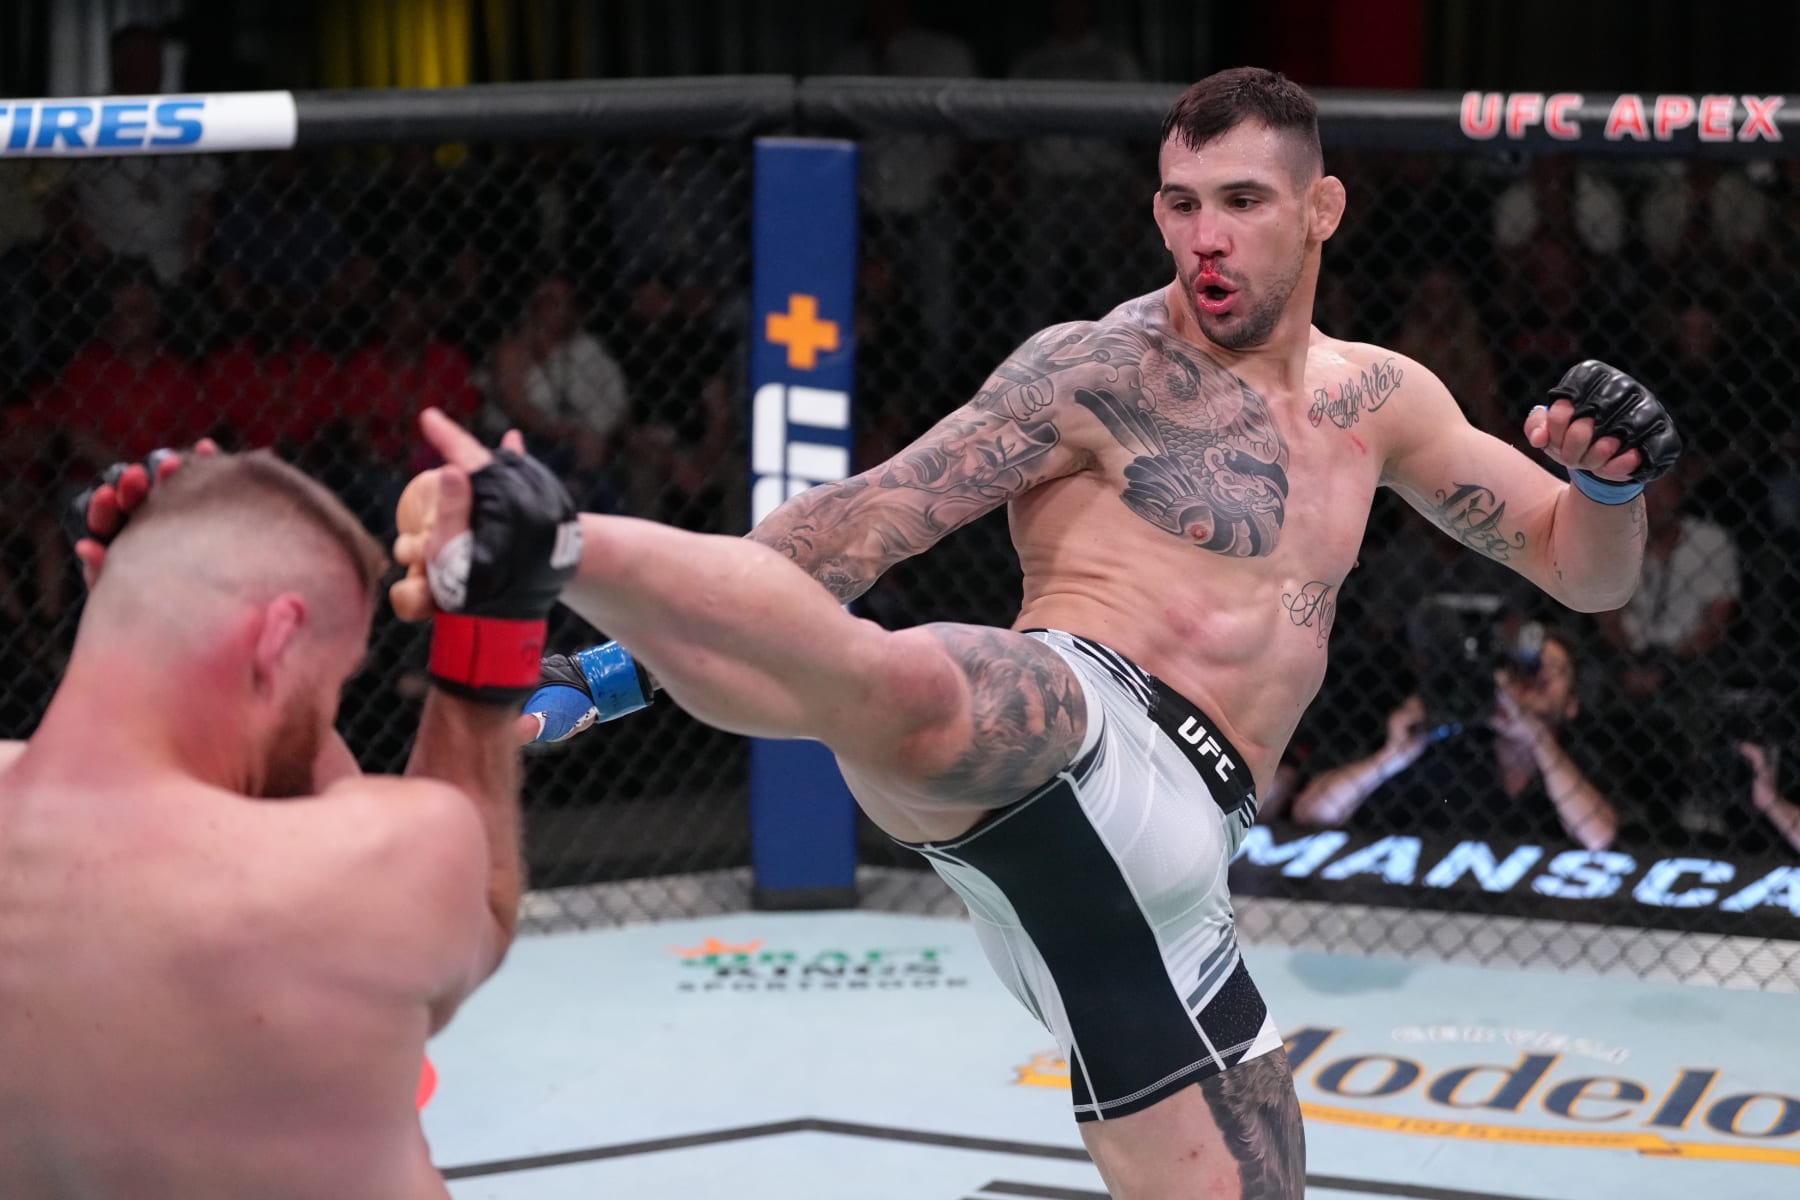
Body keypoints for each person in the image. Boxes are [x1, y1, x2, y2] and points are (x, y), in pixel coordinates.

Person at [482, 68, 1679, 1200]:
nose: (1205, 235)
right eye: (1182, 203)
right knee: (928, 683)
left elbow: (1580, 571)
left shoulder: (1384, 401)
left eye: (1243, 203)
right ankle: (562, 543)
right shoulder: (1095, 370)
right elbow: (857, 526)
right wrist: (602, 675)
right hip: (1076, 729)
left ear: (1321, 210)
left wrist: (1614, 490)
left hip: (1186, 867)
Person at [0, 416, 579, 1199]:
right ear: (276, 642)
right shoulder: (369, 872)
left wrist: (155, 593)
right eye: (330, 687)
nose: (327, 718)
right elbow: (467, 900)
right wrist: (492, 630)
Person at [1289, 622, 1620, 851]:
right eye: (1528, 666)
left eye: (1556, 670)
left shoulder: (1583, 762)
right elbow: (1311, 812)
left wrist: (1536, 737)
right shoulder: (1448, 744)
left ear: (1573, 705)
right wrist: (1390, 757)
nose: (1538, 673)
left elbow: (1599, 837)